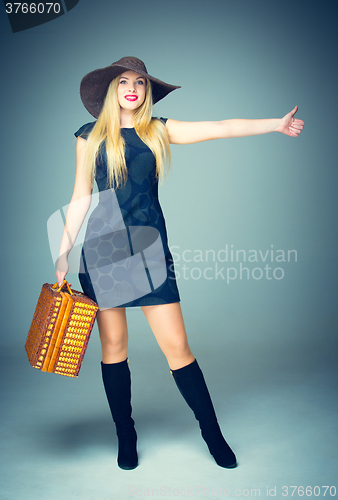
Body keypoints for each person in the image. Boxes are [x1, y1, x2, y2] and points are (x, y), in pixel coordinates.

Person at [56, 56, 304, 471]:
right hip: (102, 252)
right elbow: (81, 196)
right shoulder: (88, 137)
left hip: (150, 253)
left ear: (146, 91)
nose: (132, 88)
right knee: (114, 348)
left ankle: (212, 434)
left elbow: (219, 128)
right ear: (111, 89)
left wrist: (273, 124)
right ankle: (126, 434)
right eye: (124, 82)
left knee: (178, 349)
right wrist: (63, 252)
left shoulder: (158, 129)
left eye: (139, 82)